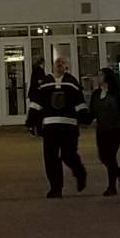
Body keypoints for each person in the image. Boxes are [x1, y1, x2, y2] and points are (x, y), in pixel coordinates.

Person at [26, 53, 89, 198]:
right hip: (50, 127)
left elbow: (79, 102)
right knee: (51, 158)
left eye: (62, 63)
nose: (60, 65)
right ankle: (56, 188)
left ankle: (79, 172)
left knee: (68, 154)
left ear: (66, 67)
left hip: (69, 127)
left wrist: (84, 117)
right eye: (58, 63)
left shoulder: (72, 82)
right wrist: (32, 120)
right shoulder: (46, 83)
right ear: (53, 66)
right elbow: (37, 103)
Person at [89, 68, 120, 197]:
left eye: (100, 75)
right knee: (103, 156)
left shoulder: (117, 92)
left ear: (107, 77)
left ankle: (111, 187)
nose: (98, 77)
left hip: (116, 128)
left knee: (110, 155)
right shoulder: (96, 94)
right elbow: (92, 113)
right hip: (101, 129)